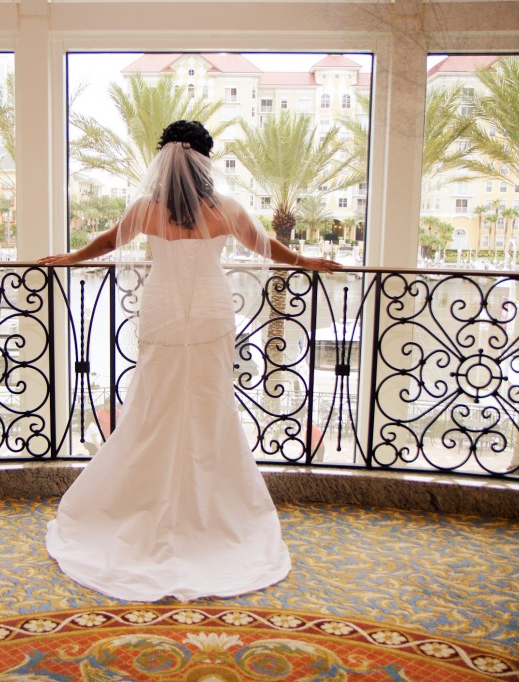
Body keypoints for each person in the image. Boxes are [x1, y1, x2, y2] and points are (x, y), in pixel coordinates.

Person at [39, 120, 342, 602]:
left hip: (161, 313)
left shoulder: (145, 209)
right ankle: (210, 515)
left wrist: (73, 257)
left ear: (164, 160)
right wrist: (307, 262)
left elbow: (107, 242)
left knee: (153, 409)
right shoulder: (228, 209)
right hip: (209, 315)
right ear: (206, 160)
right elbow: (269, 249)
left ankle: (138, 506)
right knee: (210, 408)